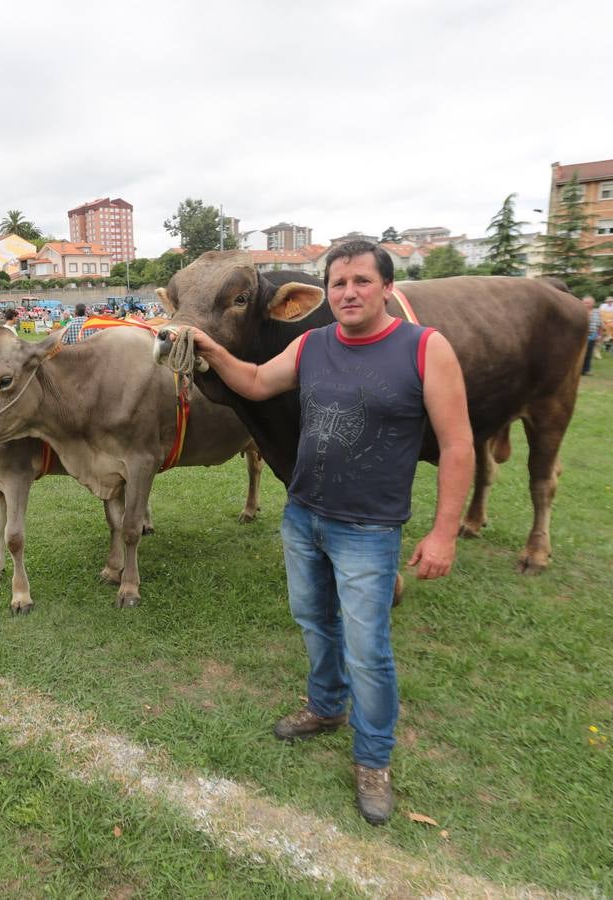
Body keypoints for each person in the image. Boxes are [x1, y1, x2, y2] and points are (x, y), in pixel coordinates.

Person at [181, 240, 473, 826]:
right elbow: (258, 383)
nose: (349, 293)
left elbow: (458, 443)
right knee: (313, 621)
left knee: (369, 652)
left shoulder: (425, 349)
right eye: (339, 284)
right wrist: (210, 345)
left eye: (363, 281)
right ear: (326, 293)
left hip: (369, 529)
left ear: (387, 288)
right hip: (305, 516)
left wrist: (443, 534)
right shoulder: (311, 344)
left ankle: (372, 759)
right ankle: (325, 707)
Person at [580, 296, 601, 375]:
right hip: (582, 335)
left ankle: (587, 370)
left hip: (592, 335)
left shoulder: (597, 312)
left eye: (588, 303)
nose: (586, 304)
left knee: (589, 353)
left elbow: (599, 324)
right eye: (584, 303)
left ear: (593, 303)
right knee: (581, 354)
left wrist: (599, 335)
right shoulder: (579, 311)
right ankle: (579, 370)